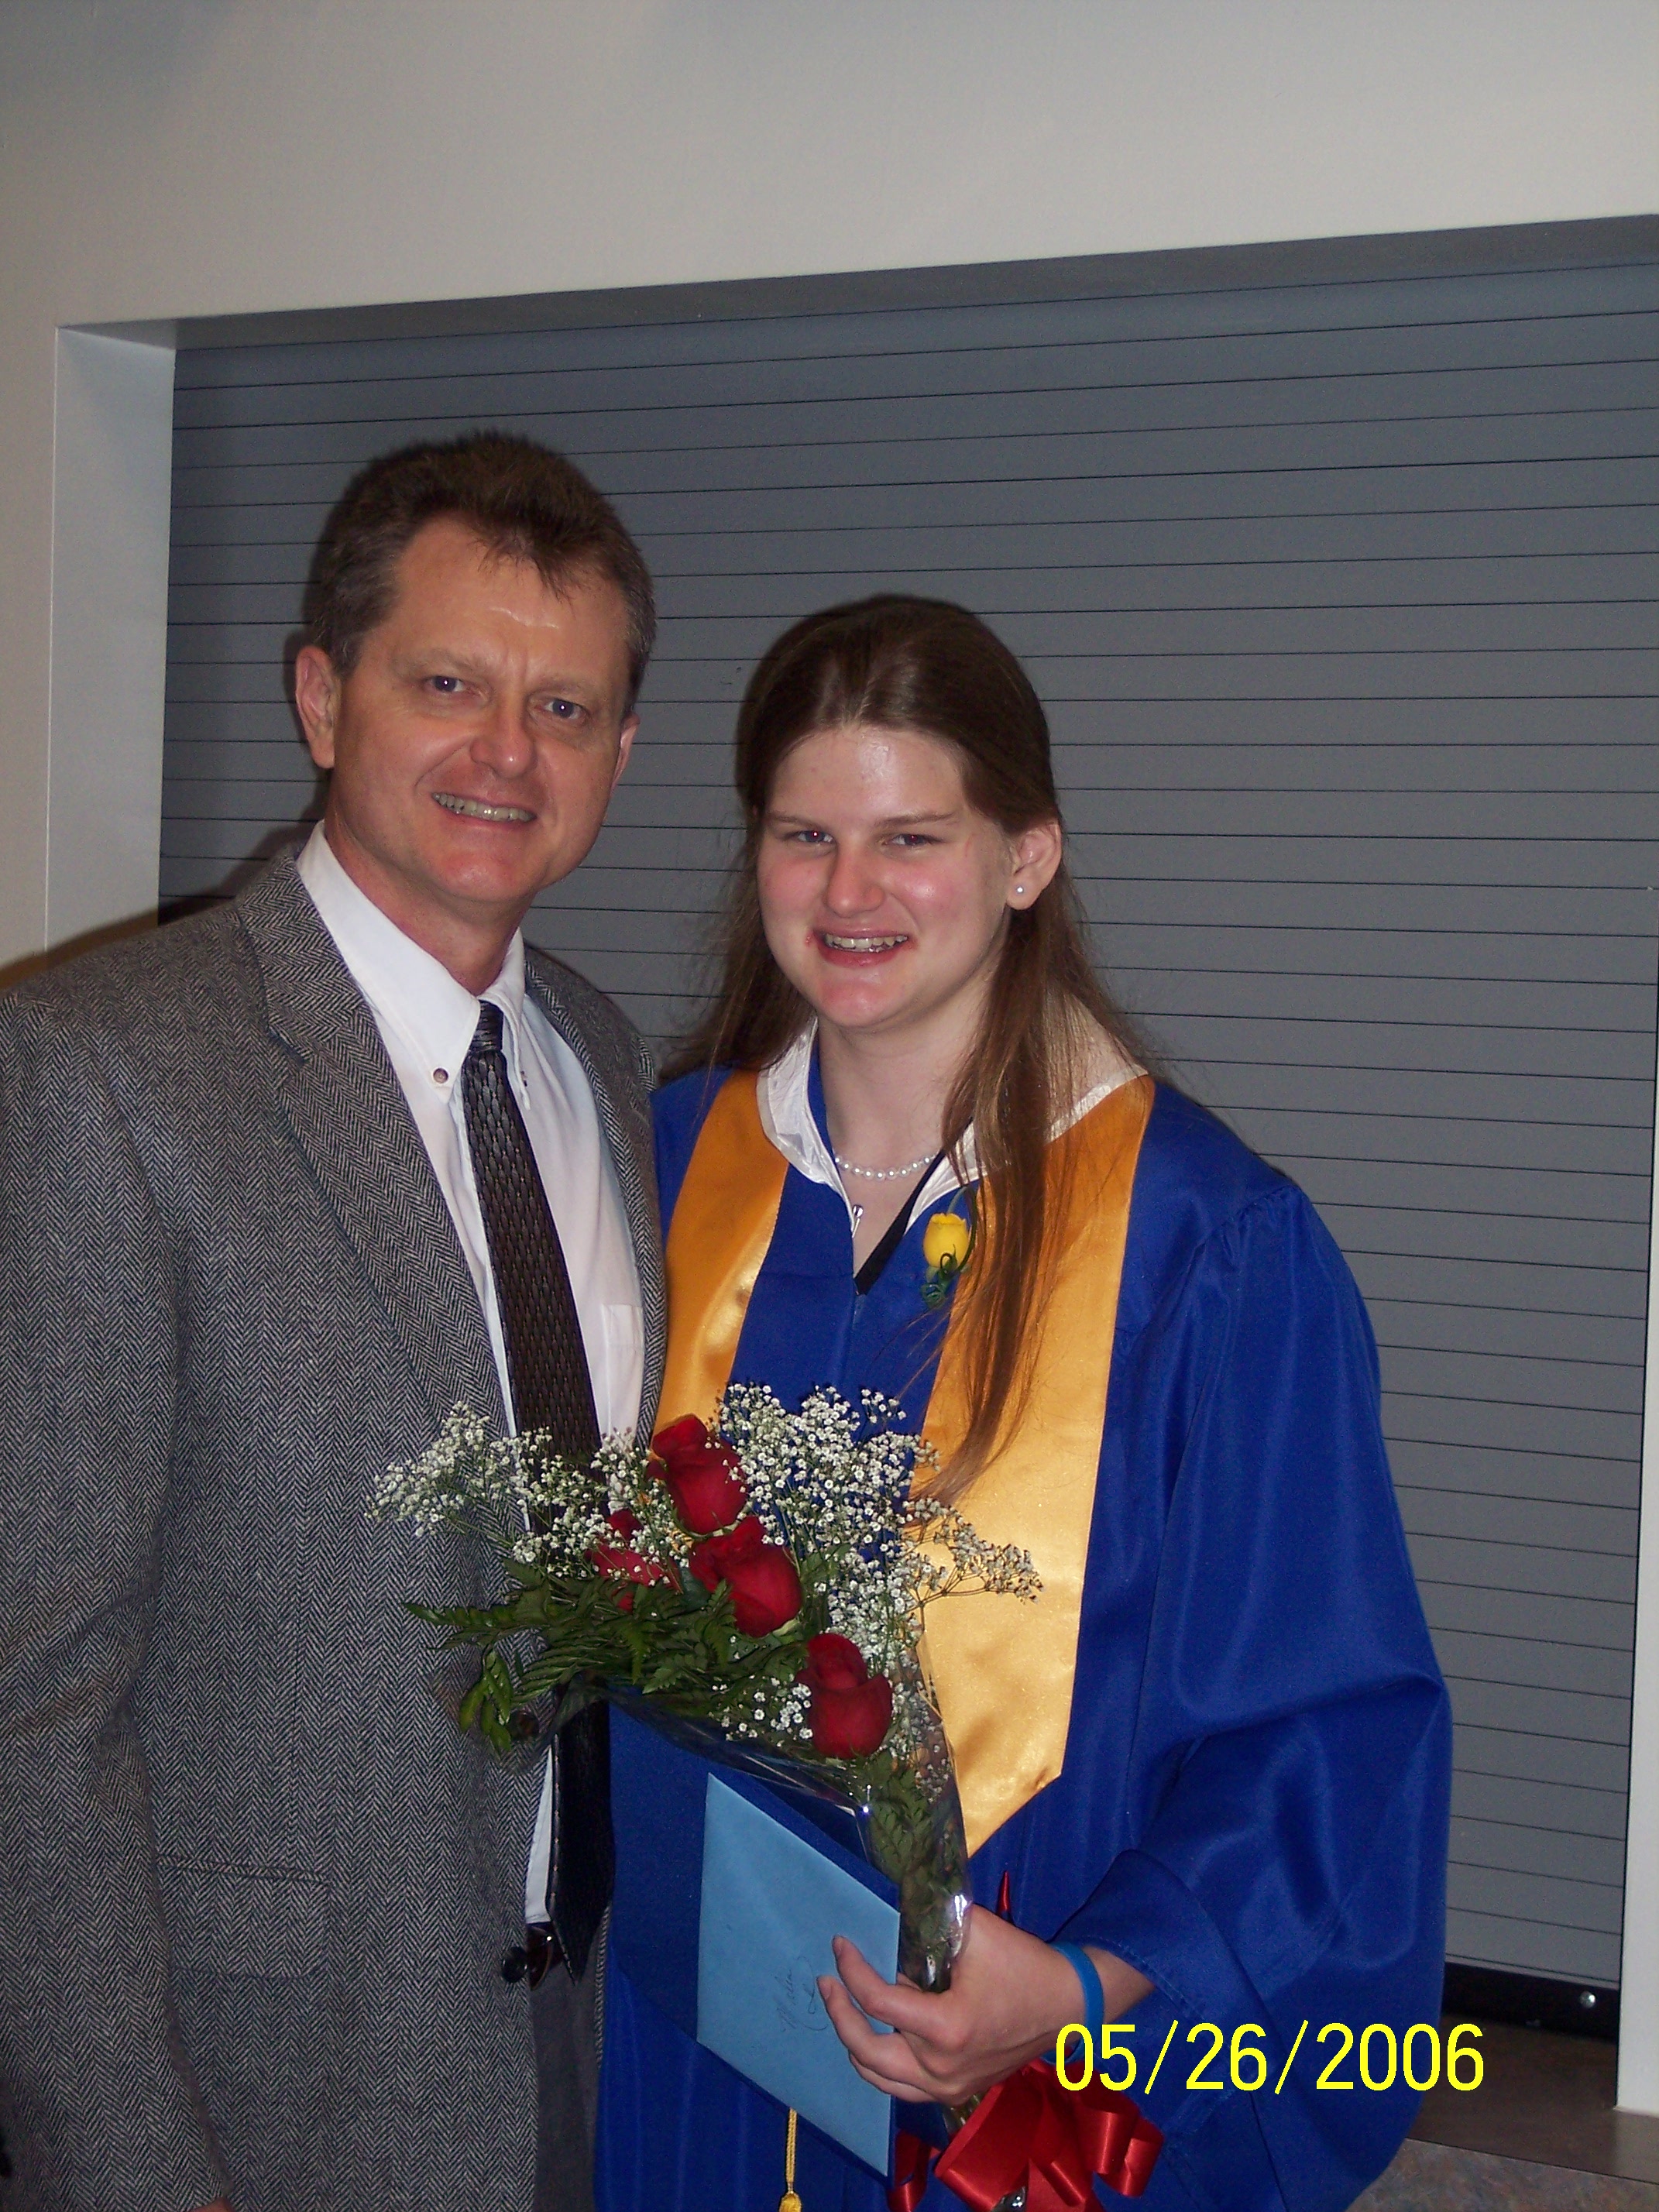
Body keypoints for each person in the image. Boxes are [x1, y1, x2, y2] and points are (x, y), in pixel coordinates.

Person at [594, 596, 1451, 2211]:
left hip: (1015, 2073)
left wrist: (1079, 1988)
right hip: (688, 2054)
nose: (848, 892)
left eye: (911, 838)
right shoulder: (661, 1164)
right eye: (803, 835)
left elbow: (1324, 1728)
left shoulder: (1202, 1244)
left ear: (1026, 858)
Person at [0, 433, 664, 2212]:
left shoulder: (605, 1065)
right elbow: (27, 1695)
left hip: (579, 2031)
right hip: (255, 2083)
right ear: (320, 696)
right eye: (446, 684)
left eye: (565, 708)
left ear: (617, 754)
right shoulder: (105, 1071)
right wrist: (131, 2169)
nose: (507, 752)